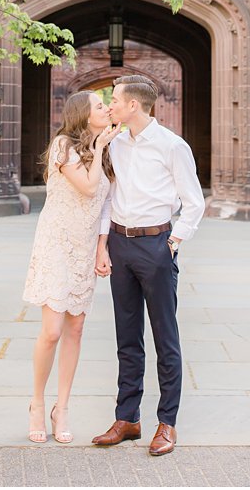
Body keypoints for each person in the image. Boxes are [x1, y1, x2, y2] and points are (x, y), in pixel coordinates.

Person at [90, 73, 205, 457]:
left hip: (157, 245)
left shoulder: (172, 146)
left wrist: (172, 243)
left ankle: (167, 423)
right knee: (127, 338)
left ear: (133, 105)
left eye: (115, 100)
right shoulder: (116, 144)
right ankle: (128, 419)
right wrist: (104, 245)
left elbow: (194, 202)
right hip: (121, 246)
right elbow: (107, 197)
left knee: (165, 338)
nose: (111, 106)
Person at [22, 90, 122, 444]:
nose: (107, 108)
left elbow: (105, 205)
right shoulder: (64, 146)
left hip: (83, 248)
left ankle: (61, 407)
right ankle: (37, 403)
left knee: (76, 329)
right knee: (51, 330)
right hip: (56, 244)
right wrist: (97, 149)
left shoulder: (105, 152)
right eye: (100, 105)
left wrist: (101, 248)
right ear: (84, 114)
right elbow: (88, 186)